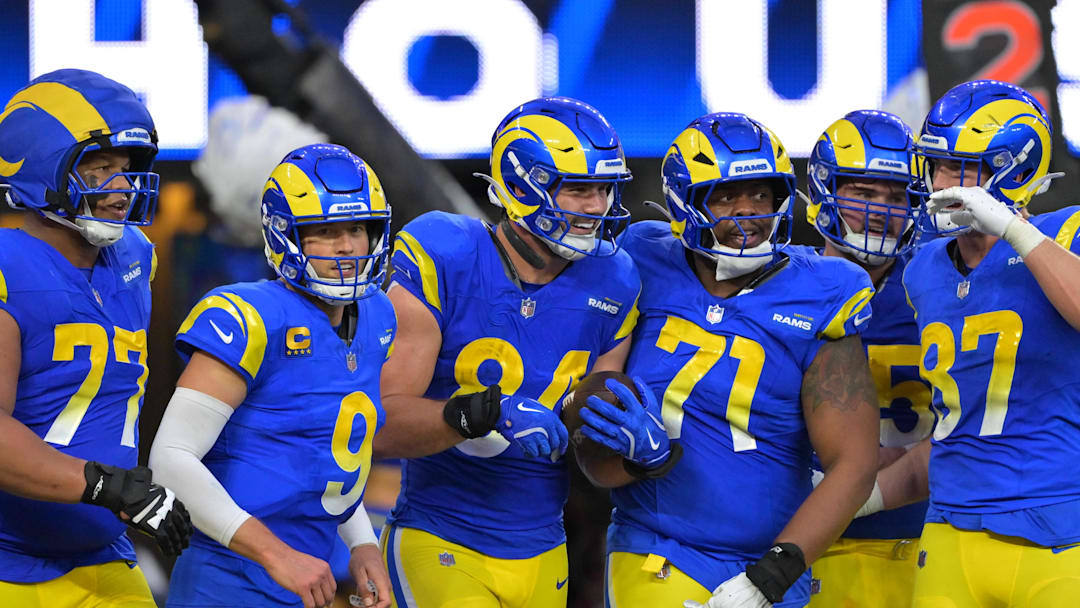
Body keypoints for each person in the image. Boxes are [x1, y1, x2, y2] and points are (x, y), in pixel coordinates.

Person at [576, 112, 880, 608]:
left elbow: (854, 462)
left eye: (761, 194)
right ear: (685, 202)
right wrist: (633, 455)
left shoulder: (825, 290)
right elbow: (591, 438)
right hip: (658, 546)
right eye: (725, 196)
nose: (748, 213)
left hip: (771, 563)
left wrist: (774, 573)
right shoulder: (641, 260)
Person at [374, 96, 641, 608]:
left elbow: (592, 451)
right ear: (520, 185)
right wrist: (481, 412)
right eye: (579, 188)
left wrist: (636, 451)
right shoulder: (445, 253)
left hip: (546, 550)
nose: (597, 207)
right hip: (441, 536)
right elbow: (377, 425)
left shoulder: (616, 278)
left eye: (604, 189)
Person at [148, 144, 395, 608]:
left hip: (308, 578)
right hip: (228, 580)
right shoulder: (251, 317)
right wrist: (276, 554)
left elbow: (330, 459)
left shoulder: (378, 316)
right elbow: (170, 459)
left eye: (357, 228)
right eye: (324, 231)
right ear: (286, 236)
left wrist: (360, 542)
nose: (346, 246)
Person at [0, 68, 192, 606]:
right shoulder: (8, 267)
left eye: (126, 168)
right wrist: (107, 485)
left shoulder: (135, 257)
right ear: (38, 165)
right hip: (8, 561)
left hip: (102, 553)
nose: (122, 187)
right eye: (99, 166)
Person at [898, 79, 1080, 606]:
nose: (942, 182)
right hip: (950, 527)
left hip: (1058, 530)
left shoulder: (1065, 233)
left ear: (1017, 170)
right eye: (938, 165)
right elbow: (956, 419)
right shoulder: (923, 269)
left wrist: (1014, 230)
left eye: (962, 167)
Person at [798, 110, 932, 607]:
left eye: (897, 196)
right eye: (865, 193)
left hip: (914, 534)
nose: (883, 210)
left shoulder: (936, 284)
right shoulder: (780, 282)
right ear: (824, 191)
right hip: (795, 534)